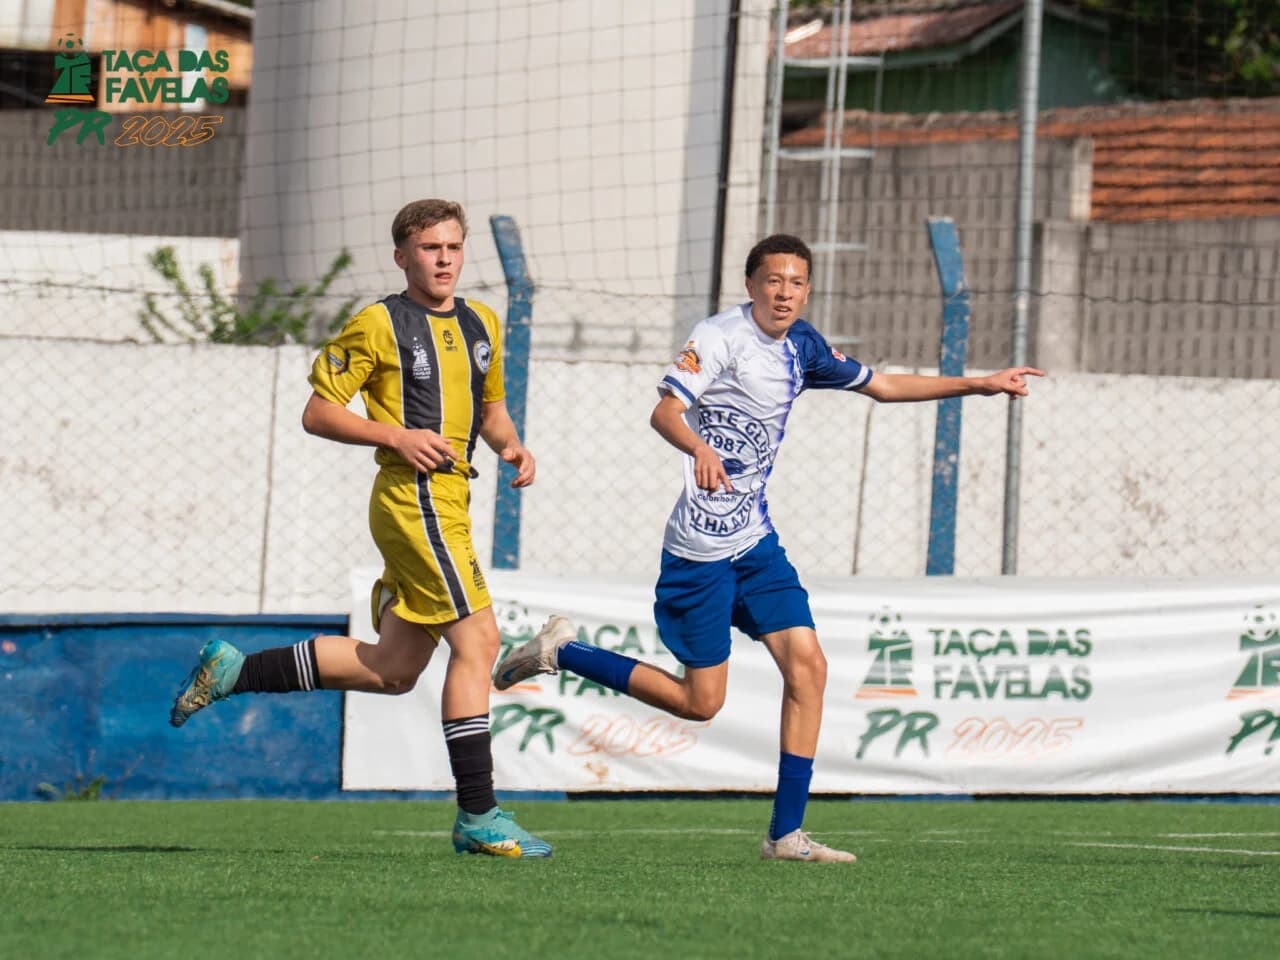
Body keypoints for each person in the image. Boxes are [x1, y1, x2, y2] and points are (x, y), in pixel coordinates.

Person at [496, 233, 1044, 862]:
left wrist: (981, 384)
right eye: (774, 281)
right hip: (698, 553)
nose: (786, 293)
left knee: (809, 668)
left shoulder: (803, 346)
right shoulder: (719, 337)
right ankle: (564, 652)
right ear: (751, 285)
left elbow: (883, 387)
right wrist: (699, 447)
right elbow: (665, 413)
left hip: (755, 544)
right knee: (698, 704)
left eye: (798, 283)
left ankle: (786, 835)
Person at [170, 198, 552, 859]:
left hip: (451, 502)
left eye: (453, 248)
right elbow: (318, 413)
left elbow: (491, 410)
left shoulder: (484, 321)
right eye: (430, 248)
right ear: (402, 255)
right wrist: (396, 436)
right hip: (414, 501)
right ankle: (479, 814)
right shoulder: (380, 324)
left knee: (394, 669)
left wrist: (512, 446)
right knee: (480, 639)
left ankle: (236, 670)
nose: (443, 259)